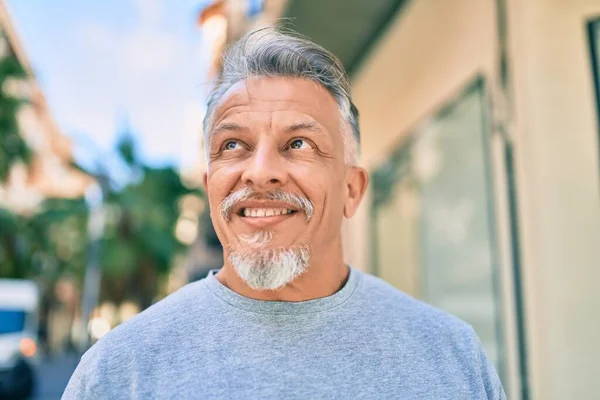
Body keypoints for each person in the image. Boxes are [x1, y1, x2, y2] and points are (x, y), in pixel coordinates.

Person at [63, 27, 506, 399]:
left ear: (352, 189)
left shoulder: (451, 357)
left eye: (299, 144)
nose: (260, 173)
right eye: (233, 145)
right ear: (209, 188)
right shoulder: (117, 373)